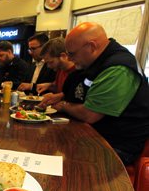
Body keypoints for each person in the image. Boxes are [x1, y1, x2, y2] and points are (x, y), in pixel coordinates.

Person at [56, 22, 149, 165]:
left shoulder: (118, 68)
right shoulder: (94, 62)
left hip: (116, 145)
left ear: (92, 47)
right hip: (94, 135)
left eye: (72, 53)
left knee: (59, 158)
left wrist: (63, 105)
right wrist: (61, 96)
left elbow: (90, 114)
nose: (69, 59)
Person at [37, 37, 88, 107]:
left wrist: (59, 97)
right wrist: (50, 86)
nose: (48, 66)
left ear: (63, 56)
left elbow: (79, 99)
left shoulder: (79, 72)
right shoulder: (61, 69)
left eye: (51, 62)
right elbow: (60, 88)